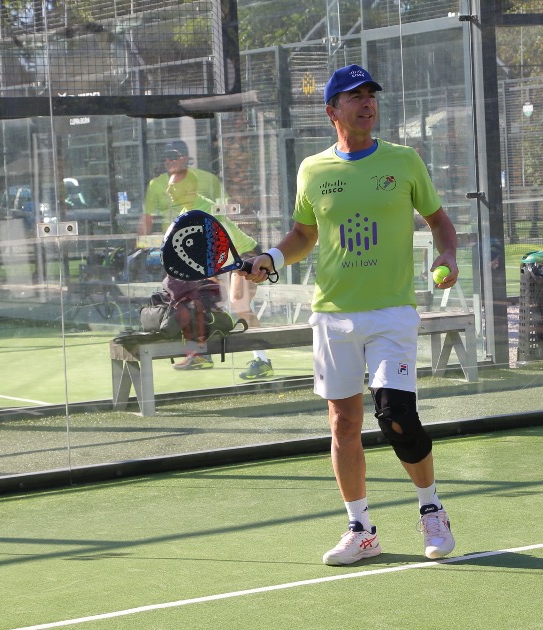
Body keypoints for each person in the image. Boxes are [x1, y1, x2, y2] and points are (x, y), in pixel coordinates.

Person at [242, 64, 459, 566]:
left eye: (370, 95)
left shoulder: (404, 161)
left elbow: (439, 221)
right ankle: (361, 528)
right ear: (332, 111)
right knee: (343, 423)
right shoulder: (314, 170)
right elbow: (303, 235)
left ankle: (431, 509)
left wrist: (447, 256)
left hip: (391, 312)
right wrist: (271, 259)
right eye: (353, 96)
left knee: (396, 415)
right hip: (334, 315)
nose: (366, 103)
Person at [141, 140, 272, 377]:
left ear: (189, 190)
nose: (168, 192)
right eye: (168, 188)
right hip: (225, 262)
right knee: (202, 301)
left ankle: (263, 361)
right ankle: (202, 355)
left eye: (173, 188)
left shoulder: (204, 209)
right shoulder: (185, 213)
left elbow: (215, 250)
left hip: (245, 257)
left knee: (240, 305)